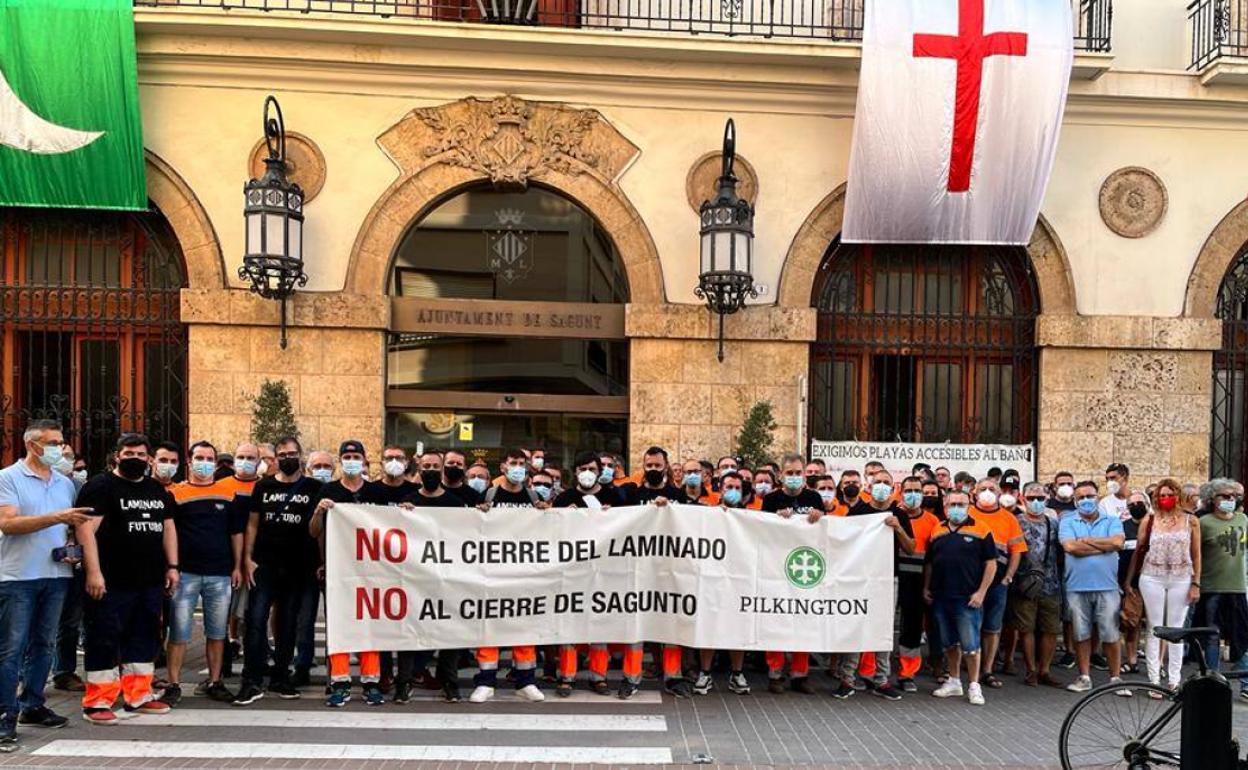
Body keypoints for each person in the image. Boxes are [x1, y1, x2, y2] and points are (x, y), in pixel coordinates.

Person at [75, 432, 179, 724]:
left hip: (149, 581)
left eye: (140, 455)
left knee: (145, 637)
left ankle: (139, 695)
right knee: (105, 638)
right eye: (128, 454)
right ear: (117, 456)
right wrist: (93, 572)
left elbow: (168, 528)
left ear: (148, 459)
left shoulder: (157, 490)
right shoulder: (100, 487)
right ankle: (97, 701)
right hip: (111, 580)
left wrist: (172, 566)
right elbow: (85, 532)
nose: (135, 459)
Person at [0, 420, 89, 749]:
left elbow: (68, 528)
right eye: (52, 443)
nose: (59, 449)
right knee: (11, 649)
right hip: (17, 576)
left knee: (44, 645)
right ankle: (4, 716)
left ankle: (32, 704)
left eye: (61, 442)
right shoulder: (8, 478)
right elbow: (8, 524)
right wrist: (57, 518)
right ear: (31, 445)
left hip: (56, 575)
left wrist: (72, 550)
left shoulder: (64, 483)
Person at [234, 436, 322, 706]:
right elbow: (252, 525)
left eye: (292, 453)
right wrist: (247, 559)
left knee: (287, 623)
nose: (287, 458)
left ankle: (282, 676)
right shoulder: (263, 486)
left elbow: (316, 531)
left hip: (298, 565)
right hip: (265, 564)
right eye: (282, 454)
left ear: (301, 455)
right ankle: (251, 679)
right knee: (256, 619)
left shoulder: (314, 488)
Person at [164, 441, 241, 706]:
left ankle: (215, 681)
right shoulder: (175, 493)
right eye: (199, 457)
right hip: (185, 573)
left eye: (209, 458)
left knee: (217, 632)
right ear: (189, 460)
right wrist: (171, 567)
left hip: (220, 573)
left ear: (216, 462)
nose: (204, 462)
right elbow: (168, 532)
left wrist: (238, 566)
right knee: (179, 632)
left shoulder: (227, 494)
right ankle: (173, 684)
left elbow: (236, 533)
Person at [310, 441, 384, 708]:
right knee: (339, 628)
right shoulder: (327, 491)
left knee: (369, 626)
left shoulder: (376, 491)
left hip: (372, 574)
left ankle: (371, 683)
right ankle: (339, 683)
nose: (352, 460)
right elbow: (314, 531)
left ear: (365, 461)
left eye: (356, 456)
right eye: (347, 456)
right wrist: (319, 510)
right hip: (338, 574)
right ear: (341, 461)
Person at [472, 448, 546, 704]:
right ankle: (485, 681)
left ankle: (526, 681)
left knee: (523, 626)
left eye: (521, 463)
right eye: (513, 462)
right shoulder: (489, 494)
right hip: (492, 573)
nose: (518, 467)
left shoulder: (532, 496)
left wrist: (545, 514)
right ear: (503, 467)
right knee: (489, 626)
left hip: (524, 574)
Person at [394, 450, 465, 705]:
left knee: (451, 631)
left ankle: (449, 681)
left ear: (443, 469)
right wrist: (401, 514)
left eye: (436, 466)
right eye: (427, 467)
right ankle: (403, 682)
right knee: (410, 631)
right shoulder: (408, 501)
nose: (432, 471)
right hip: (416, 579)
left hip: (448, 578)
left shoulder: (456, 504)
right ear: (419, 470)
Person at [843, 470, 914, 701]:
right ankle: (847, 679)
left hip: (887, 578)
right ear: (869, 486)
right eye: (877, 482)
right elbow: (842, 540)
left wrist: (898, 528)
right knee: (855, 623)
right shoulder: (858, 511)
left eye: (886, 483)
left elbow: (910, 548)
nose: (881, 486)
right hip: (859, 578)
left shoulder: (899, 514)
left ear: (893, 488)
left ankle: (881, 680)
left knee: (883, 627)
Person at [1124, 478, 1200, 695]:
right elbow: (1139, 551)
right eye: (1161, 495)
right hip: (1152, 576)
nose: (1165, 499)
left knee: (1176, 628)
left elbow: (1197, 554)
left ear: (1177, 495)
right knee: (1155, 627)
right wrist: (1129, 580)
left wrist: (1196, 583)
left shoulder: (1190, 520)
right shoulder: (1149, 520)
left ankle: (1174, 680)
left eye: (1169, 494)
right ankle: (1154, 679)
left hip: (1181, 575)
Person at [923, 490, 996, 706]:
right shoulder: (937, 530)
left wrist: (981, 592)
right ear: (945, 506)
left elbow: (990, 563)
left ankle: (974, 685)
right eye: (952, 504)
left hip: (968, 598)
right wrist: (926, 587)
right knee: (950, 643)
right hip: (941, 596)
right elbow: (929, 562)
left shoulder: (982, 529)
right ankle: (954, 681)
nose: (956, 508)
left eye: (961, 504)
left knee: (970, 645)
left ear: (969, 505)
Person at [762, 454, 825, 696]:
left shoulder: (813, 498)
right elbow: (762, 531)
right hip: (777, 570)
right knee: (777, 620)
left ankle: (800, 675)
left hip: (804, 570)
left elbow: (825, 532)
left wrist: (821, 517)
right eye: (790, 473)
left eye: (799, 472)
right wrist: (777, 520)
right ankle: (775, 674)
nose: (794, 477)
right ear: (780, 476)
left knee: (804, 621)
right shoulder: (771, 500)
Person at [1059, 480, 1128, 694]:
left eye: (1090, 496)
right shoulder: (1067, 521)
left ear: (1097, 497)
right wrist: (1103, 545)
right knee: (1081, 633)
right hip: (1076, 587)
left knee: (1111, 633)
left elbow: (1117, 543)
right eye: (1081, 497)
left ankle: (1115, 679)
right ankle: (1084, 676)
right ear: (1075, 500)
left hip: (1107, 586)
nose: (1086, 500)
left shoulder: (1112, 520)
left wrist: (1086, 541)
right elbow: (1070, 547)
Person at [693, 471, 750, 696]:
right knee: (709, 625)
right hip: (711, 578)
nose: (733, 491)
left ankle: (737, 674)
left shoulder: (752, 517)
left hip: (739, 579)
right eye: (729, 487)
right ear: (720, 489)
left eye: (738, 487)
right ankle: (705, 673)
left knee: (738, 627)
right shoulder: (707, 513)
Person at [967, 479, 1026, 689]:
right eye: (982, 489)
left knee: (992, 627)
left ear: (1000, 493)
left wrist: (1008, 577)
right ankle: (969, 668)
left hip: (998, 583)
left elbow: (1016, 550)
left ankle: (987, 671)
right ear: (974, 493)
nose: (987, 493)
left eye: (992, 490)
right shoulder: (967, 514)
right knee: (970, 624)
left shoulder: (1009, 518)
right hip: (970, 582)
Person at [1193, 477, 1248, 699]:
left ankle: (1245, 683)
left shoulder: (1243, 519)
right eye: (1224, 496)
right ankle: (1212, 680)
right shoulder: (1204, 522)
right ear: (1212, 499)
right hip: (1212, 586)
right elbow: (1196, 554)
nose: (1229, 500)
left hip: (1237, 586)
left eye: (1233, 496)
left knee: (1242, 636)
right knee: (1212, 635)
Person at [1008, 482, 1064, 687]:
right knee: (1026, 627)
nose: (1036, 502)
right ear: (1023, 498)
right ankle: (1031, 669)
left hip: (1050, 583)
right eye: (1031, 498)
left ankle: (1045, 670)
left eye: (1040, 498)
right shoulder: (1016, 522)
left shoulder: (1053, 523)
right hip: (1024, 584)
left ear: (1047, 498)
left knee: (1050, 628)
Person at [895, 475, 939, 692]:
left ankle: (907, 673)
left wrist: (927, 585)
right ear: (901, 493)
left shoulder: (932, 522)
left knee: (912, 627)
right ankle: (874, 670)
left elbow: (931, 558)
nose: (913, 495)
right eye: (908, 490)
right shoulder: (892, 515)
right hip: (892, 576)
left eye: (917, 491)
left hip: (917, 580)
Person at [1116, 491, 1149, 674]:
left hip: (1152, 580)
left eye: (1139, 502)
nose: (1136, 506)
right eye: (1131, 504)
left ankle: (1155, 663)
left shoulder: (1154, 525)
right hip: (1130, 583)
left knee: (1153, 624)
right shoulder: (1122, 527)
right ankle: (1132, 660)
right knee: (1131, 623)